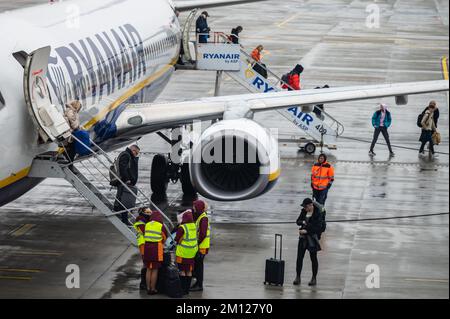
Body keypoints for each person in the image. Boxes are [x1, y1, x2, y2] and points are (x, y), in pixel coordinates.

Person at [293, 198, 323, 286]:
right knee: (299, 258)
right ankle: (298, 277)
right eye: (304, 207)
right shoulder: (304, 211)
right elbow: (297, 221)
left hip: (312, 239)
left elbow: (317, 228)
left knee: (313, 258)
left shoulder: (317, 214)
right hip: (303, 238)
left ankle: (314, 278)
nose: (304, 208)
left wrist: (306, 230)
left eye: (306, 207)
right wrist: (302, 222)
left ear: (311, 205)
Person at [113, 145, 140, 225]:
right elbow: (123, 168)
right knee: (125, 200)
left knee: (123, 199)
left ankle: (120, 213)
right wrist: (127, 179)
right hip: (124, 182)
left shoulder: (127, 155)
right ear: (133, 150)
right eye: (136, 153)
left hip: (124, 182)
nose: (136, 155)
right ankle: (124, 219)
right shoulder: (126, 155)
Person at [143, 210, 168, 295]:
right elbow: (165, 237)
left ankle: (147, 288)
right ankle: (153, 289)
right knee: (155, 269)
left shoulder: (147, 224)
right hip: (156, 248)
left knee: (148, 269)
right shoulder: (160, 226)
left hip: (147, 248)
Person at [174, 209, 198, 295]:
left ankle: (182, 289)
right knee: (189, 271)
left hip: (183, 253)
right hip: (191, 253)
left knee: (182, 271)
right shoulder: (194, 226)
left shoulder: (182, 227)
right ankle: (187, 290)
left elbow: (177, 239)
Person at [190, 200, 211, 292]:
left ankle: (199, 285)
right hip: (200, 245)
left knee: (199, 266)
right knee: (198, 265)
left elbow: (202, 234)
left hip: (202, 246)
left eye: (194, 206)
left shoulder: (203, 218)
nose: (193, 208)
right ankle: (197, 283)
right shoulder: (200, 217)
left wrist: (197, 243)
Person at [134, 207, 152, 291]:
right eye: (147, 212)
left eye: (150, 212)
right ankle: (143, 283)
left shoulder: (145, 220)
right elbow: (146, 232)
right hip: (143, 244)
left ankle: (144, 282)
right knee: (145, 264)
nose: (149, 214)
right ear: (142, 213)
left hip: (146, 244)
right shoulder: (140, 221)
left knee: (146, 264)